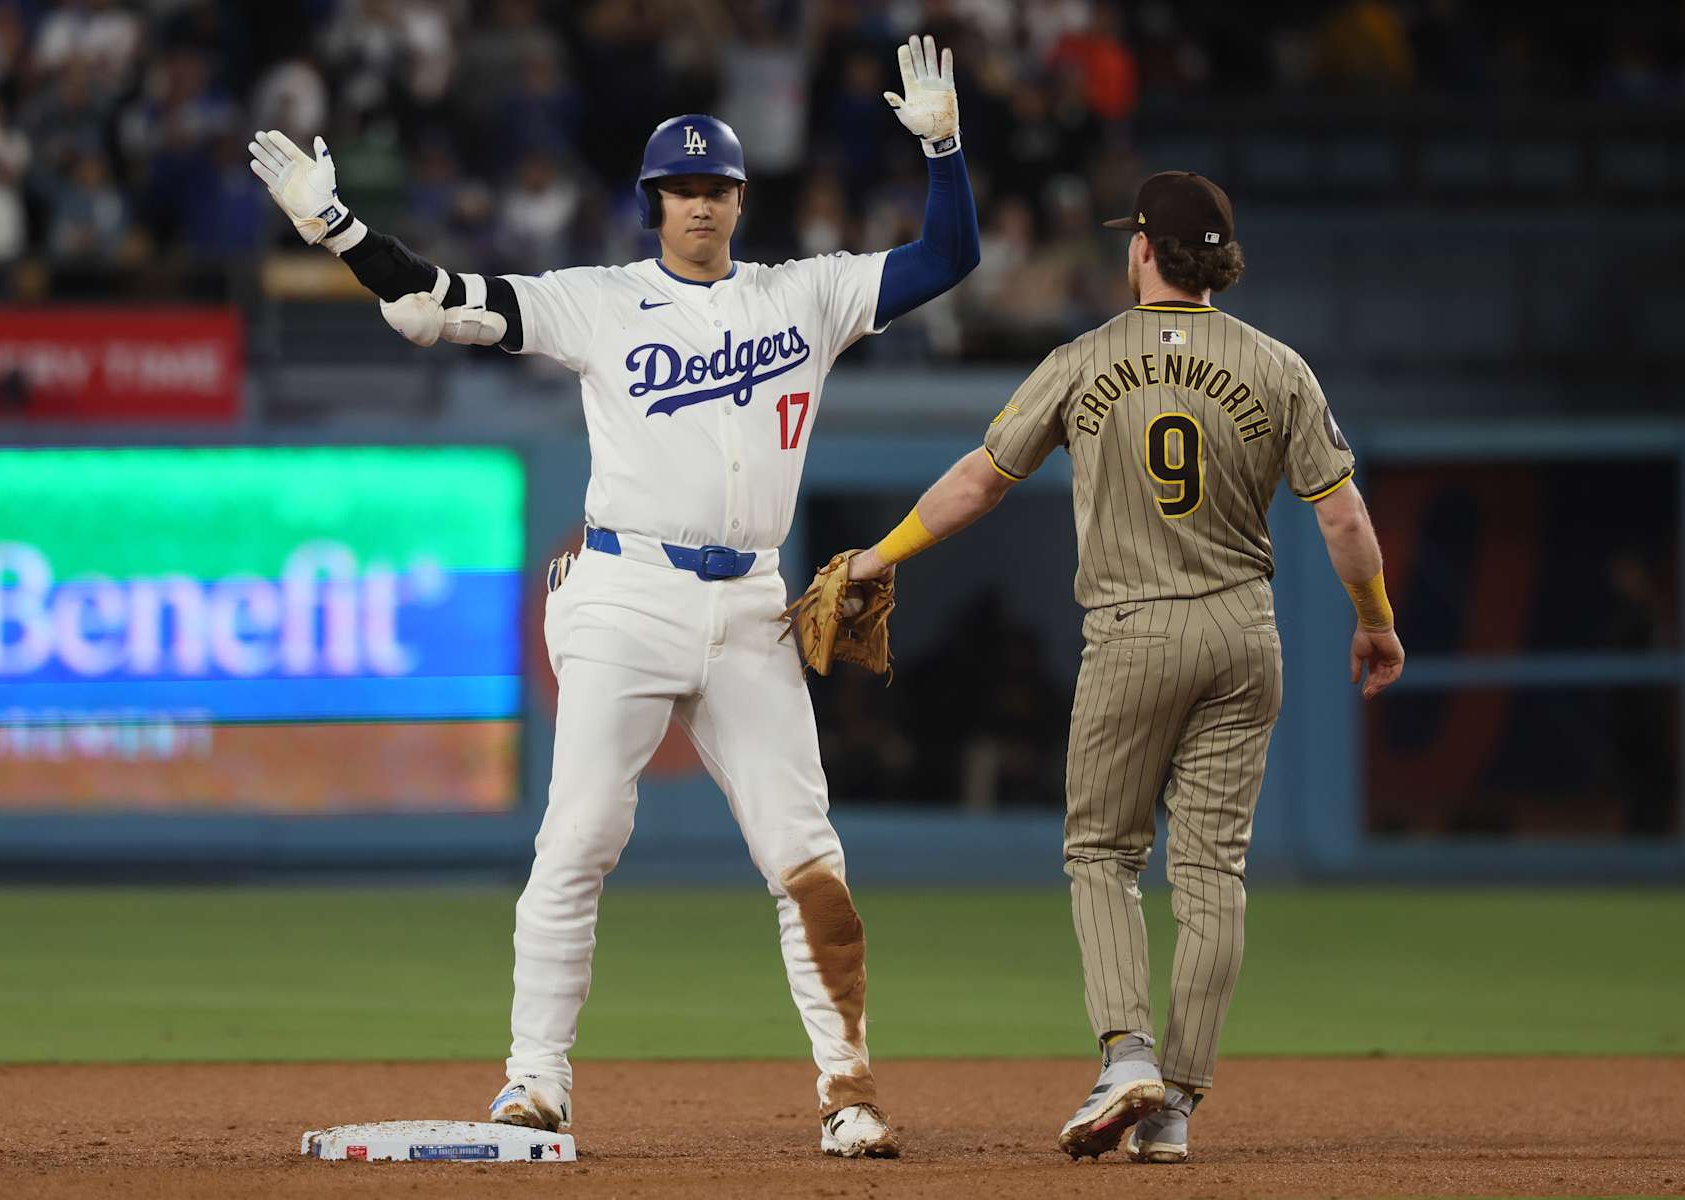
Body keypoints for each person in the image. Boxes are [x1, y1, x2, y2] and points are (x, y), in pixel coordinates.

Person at [249, 35, 979, 1159]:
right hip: (627, 591)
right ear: (653, 204)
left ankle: (849, 1089)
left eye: (716, 188)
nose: (698, 205)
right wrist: (337, 228)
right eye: (679, 189)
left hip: (752, 611)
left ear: (741, 198)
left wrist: (943, 147)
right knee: (578, 838)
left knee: (809, 859)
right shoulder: (599, 301)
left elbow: (948, 257)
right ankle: (534, 1084)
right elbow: (436, 300)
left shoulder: (810, 295)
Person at [840, 170, 1405, 1162]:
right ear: (1218, 261)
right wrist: (1376, 620)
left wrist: (878, 557)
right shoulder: (1280, 367)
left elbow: (983, 479)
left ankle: (1128, 1055)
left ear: (1146, 248)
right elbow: (1345, 517)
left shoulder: (1085, 359)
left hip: (1135, 631)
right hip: (1244, 633)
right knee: (1213, 874)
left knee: (1101, 852)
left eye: (1132, 237)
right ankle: (1177, 1104)